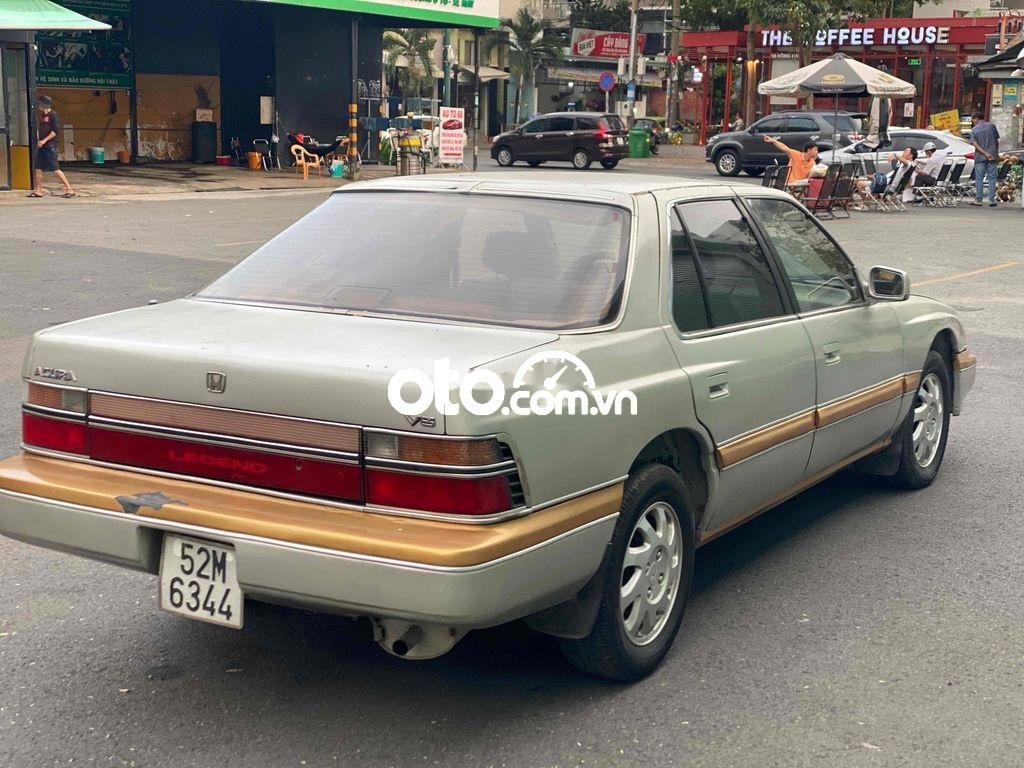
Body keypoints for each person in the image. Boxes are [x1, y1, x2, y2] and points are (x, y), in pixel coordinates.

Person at [30, 95, 75, 199]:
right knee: (37, 168)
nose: (38, 106)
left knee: (55, 168)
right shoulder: (42, 116)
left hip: (50, 146)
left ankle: (69, 189)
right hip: (41, 145)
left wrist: (44, 141)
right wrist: (38, 140)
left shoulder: (52, 115)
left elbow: (55, 131)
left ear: (44, 104)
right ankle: (38, 191)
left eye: (40, 104)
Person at [969, 110, 1000, 207]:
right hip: (992, 155)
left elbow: (975, 144)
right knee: (992, 178)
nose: (972, 122)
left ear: (976, 118)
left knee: (979, 179)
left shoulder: (974, 130)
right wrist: (995, 153)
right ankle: (991, 200)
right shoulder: (991, 126)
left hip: (980, 157)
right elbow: (996, 141)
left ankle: (979, 200)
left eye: (972, 120)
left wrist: (985, 153)